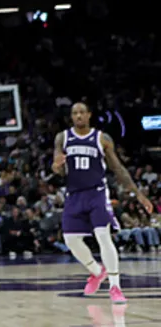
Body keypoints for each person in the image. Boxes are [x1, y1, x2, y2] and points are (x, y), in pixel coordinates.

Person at [53, 101, 154, 304]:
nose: (78, 115)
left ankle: (115, 287)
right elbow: (59, 169)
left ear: (89, 115)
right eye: (75, 113)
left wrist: (139, 195)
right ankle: (97, 271)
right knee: (71, 240)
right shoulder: (62, 137)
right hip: (73, 194)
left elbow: (118, 169)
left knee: (103, 236)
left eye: (82, 112)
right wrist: (56, 166)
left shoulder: (101, 138)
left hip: (96, 193)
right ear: (71, 117)